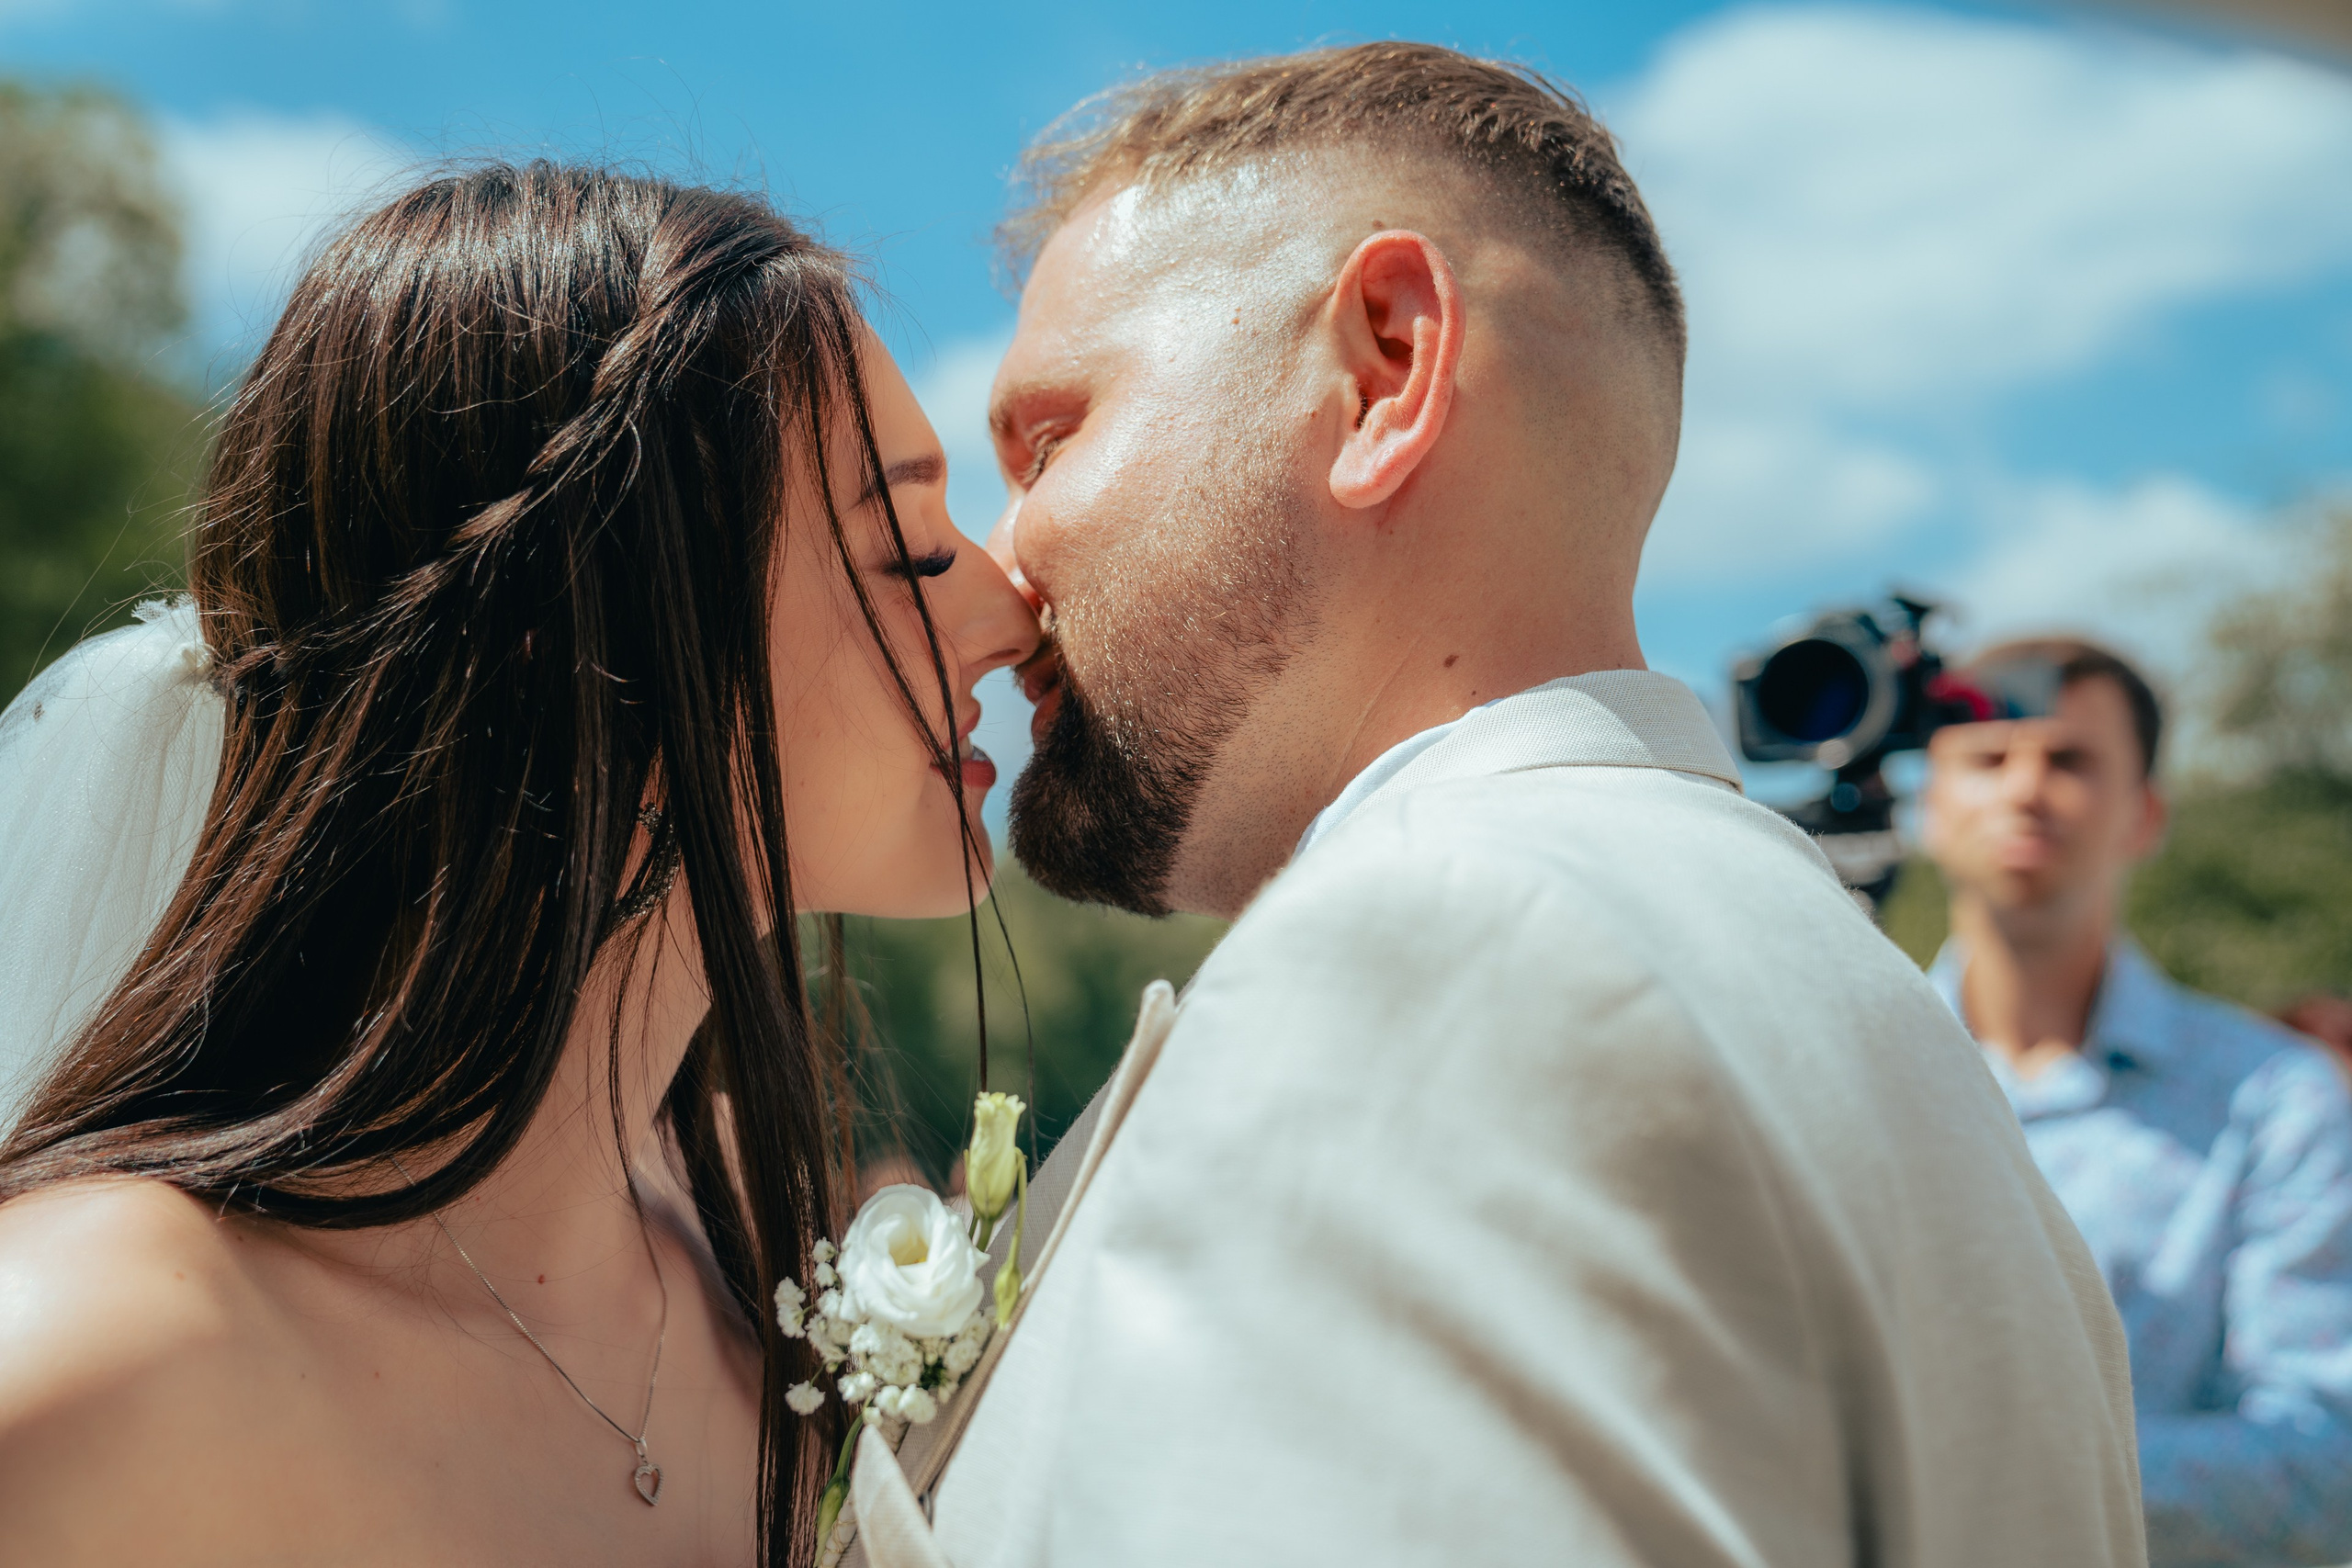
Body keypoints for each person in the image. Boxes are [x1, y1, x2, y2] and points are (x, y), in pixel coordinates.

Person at [838, 43, 2144, 1568]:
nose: (1001, 569)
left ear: (1386, 368)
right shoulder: (1872, 1018)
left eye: (1050, 437)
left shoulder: (1433, 963)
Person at [0, 162, 1037, 1566]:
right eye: (913, 545)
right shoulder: (86, 1365)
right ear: (583, 656)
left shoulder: (767, 1307)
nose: (1005, 605)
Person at [1920, 637, 2352, 1567]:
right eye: (1987, 758)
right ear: (1929, 804)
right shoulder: (1829, 1065)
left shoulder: (2273, 1097)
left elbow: (2327, 1462)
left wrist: (1980, 1478)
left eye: (2069, 759)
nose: (2025, 788)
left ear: (2143, 813)